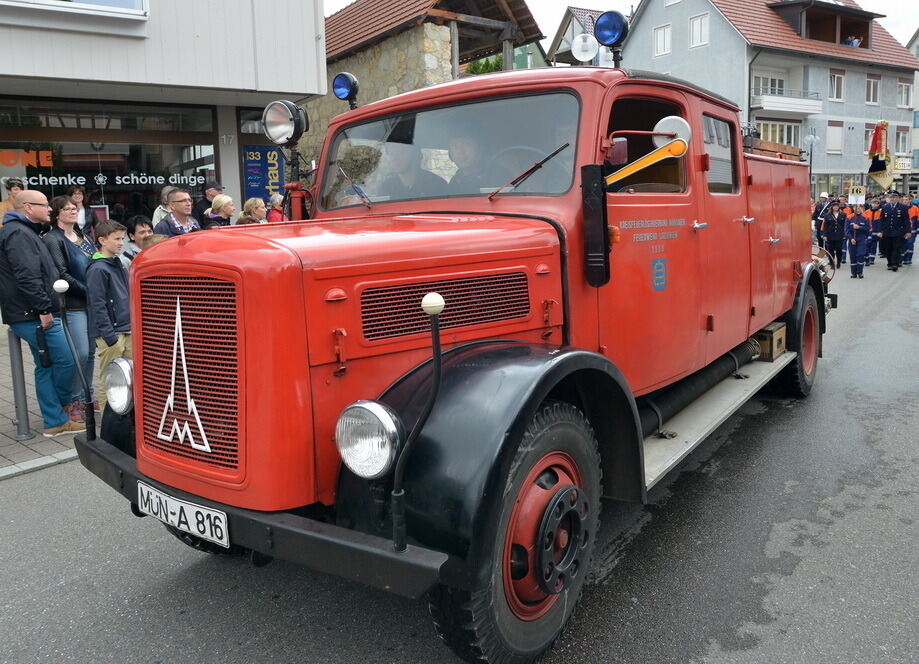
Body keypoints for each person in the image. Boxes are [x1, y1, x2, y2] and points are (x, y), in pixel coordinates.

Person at [0, 191, 83, 436]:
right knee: (66, 360)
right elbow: (27, 276)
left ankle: (55, 421)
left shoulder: (24, 231)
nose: (49, 209)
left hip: (32, 313)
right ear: (28, 207)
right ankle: (59, 413)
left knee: (46, 366)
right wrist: (43, 309)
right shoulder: (18, 233)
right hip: (33, 315)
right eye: (45, 205)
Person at [43, 196, 97, 419]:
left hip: (91, 300)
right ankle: (74, 400)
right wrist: (89, 291)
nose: (73, 211)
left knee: (92, 352)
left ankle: (88, 397)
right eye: (67, 209)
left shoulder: (83, 235)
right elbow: (61, 273)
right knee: (81, 352)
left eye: (74, 208)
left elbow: (95, 260)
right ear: (57, 213)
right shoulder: (52, 239)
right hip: (72, 304)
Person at [86, 219, 131, 412]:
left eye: (123, 238)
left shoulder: (117, 263)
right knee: (110, 380)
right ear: (102, 240)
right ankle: (108, 424)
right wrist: (109, 336)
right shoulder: (98, 268)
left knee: (128, 377)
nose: (121, 243)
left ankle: (125, 418)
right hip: (112, 333)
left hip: (125, 328)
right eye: (117, 239)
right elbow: (97, 304)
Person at [380, 142, 448, 199]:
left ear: (414, 154)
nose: (394, 158)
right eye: (391, 153)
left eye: (401, 152)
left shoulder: (436, 185)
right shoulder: (387, 188)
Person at [877, 190, 912, 272]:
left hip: (898, 231)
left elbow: (906, 220)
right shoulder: (885, 207)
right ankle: (889, 263)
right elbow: (881, 220)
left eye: (894, 197)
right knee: (888, 248)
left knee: (897, 248)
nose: (892, 199)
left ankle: (895, 264)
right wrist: (880, 231)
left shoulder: (903, 207)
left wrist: (908, 231)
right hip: (887, 231)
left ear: (898, 198)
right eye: (891, 197)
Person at [845, 203, 870, 279]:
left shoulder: (865, 217)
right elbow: (846, 230)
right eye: (856, 207)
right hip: (852, 239)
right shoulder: (849, 217)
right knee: (853, 256)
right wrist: (851, 238)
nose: (858, 209)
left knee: (860, 255)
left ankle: (860, 272)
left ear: (862, 208)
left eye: (860, 207)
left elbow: (868, 228)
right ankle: (854, 273)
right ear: (853, 208)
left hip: (861, 239)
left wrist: (859, 227)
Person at [821, 201, 846, 267]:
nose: (836, 207)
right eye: (834, 206)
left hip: (839, 235)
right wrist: (824, 235)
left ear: (839, 207)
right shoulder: (827, 215)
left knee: (839, 249)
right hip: (830, 235)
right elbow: (825, 226)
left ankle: (838, 262)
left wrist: (844, 234)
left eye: (837, 206)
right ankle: (832, 263)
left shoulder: (843, 215)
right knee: (831, 250)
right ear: (832, 207)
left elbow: (845, 225)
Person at [864, 196, 882, 265]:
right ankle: (867, 258)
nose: (874, 205)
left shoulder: (880, 212)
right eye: (873, 203)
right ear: (871, 204)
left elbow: (882, 222)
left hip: (876, 232)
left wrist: (880, 231)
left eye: (876, 203)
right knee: (867, 245)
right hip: (868, 231)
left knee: (873, 246)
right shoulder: (867, 212)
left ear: (878, 204)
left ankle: (872, 259)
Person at [901, 198, 919, 265]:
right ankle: (902, 259)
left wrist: (917, 229)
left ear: (910, 200)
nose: (905, 201)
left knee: (910, 244)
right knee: (903, 245)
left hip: (912, 230)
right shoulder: (901, 208)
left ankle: (908, 259)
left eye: (906, 199)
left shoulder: (915, 208)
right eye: (904, 200)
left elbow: (918, 219)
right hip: (903, 230)